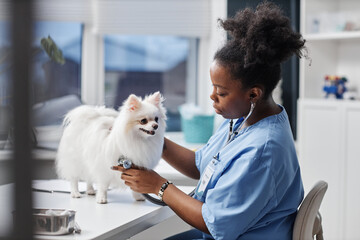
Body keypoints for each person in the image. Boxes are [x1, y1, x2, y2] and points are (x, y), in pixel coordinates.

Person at [111, 1, 306, 239]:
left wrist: (159, 187)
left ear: (253, 94)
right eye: (213, 87)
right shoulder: (244, 118)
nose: (212, 96)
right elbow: (200, 165)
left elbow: (216, 223)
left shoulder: (262, 151)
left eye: (221, 92)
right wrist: (148, 137)